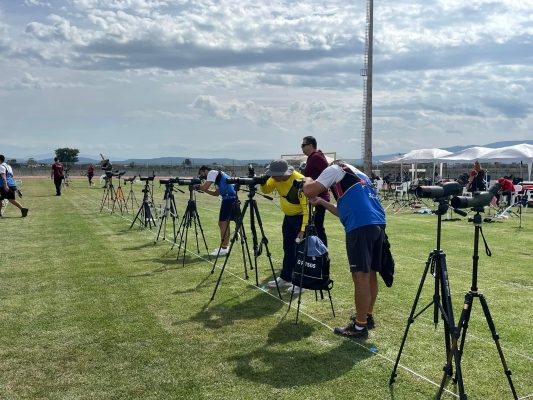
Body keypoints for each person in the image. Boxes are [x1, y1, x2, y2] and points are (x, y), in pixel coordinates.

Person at [303, 162, 386, 339]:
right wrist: (323, 202)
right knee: (371, 273)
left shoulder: (335, 169)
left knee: (360, 276)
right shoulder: (360, 176)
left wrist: (307, 179)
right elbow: (343, 212)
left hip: (360, 226)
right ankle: (367, 317)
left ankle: (360, 326)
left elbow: (309, 190)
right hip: (377, 224)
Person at [261, 159, 309, 294]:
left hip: (301, 218)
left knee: (301, 251)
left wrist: (303, 229)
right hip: (288, 218)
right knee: (288, 248)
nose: (272, 177)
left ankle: (301, 283)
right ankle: (286, 277)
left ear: (284, 173)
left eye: (274, 175)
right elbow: (266, 190)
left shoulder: (300, 181)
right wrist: (263, 181)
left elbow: (307, 208)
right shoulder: (275, 178)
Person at [198, 166, 238, 256]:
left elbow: (204, 187)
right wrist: (203, 189)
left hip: (229, 199)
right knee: (225, 223)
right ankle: (225, 247)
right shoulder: (217, 176)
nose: (202, 176)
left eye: (201, 174)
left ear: (205, 171)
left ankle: (224, 248)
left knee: (222, 223)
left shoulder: (212, 173)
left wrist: (198, 187)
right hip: (229, 198)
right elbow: (216, 193)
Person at [301, 136, 329, 247]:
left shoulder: (317, 157)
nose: (301, 148)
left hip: (319, 198)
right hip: (314, 197)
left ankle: (323, 256)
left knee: (318, 228)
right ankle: (315, 256)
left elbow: (327, 174)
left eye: (303, 145)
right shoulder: (313, 157)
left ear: (311, 145)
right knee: (315, 228)